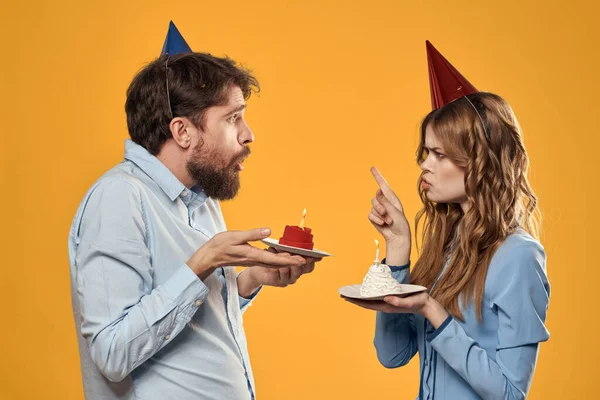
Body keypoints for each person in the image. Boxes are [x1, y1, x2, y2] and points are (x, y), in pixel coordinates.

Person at [68, 21, 320, 400]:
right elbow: (112, 351)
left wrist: (249, 282)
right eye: (233, 118)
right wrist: (201, 264)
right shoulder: (118, 198)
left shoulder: (202, 200)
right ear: (183, 132)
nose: (248, 134)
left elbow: (190, 330)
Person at [344, 41, 550, 399]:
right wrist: (398, 249)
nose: (425, 164)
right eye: (426, 152)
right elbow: (392, 356)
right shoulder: (447, 249)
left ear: (480, 162)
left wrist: (431, 309)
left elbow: (510, 394)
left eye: (439, 154)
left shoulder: (518, 257)